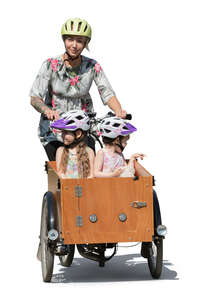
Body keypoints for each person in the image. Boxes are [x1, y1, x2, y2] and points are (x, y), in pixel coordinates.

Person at [30, 17, 127, 160]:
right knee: (61, 170)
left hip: (84, 127)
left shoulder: (92, 66)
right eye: (70, 39)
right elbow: (35, 98)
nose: (74, 45)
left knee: (91, 167)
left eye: (80, 41)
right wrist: (47, 110)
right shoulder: (50, 65)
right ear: (64, 40)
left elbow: (106, 92)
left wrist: (118, 110)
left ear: (86, 43)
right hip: (55, 128)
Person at [50, 110, 94, 178]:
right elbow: (60, 173)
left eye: (66, 132)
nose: (62, 135)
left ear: (78, 134)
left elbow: (91, 175)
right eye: (62, 132)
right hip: (67, 187)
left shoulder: (89, 152)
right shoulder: (61, 151)